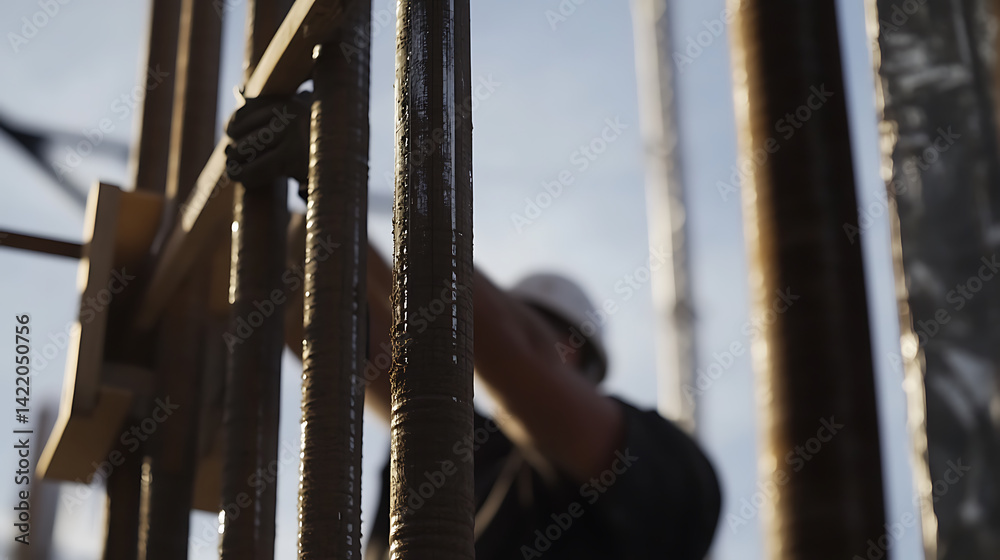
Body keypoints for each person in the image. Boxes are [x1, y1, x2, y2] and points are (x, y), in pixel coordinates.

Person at [226, 95, 721, 559]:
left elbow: (520, 356)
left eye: (553, 335)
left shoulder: (669, 472)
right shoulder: (466, 453)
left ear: (581, 358)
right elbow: (347, 342)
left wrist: (338, 189)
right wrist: (304, 228)